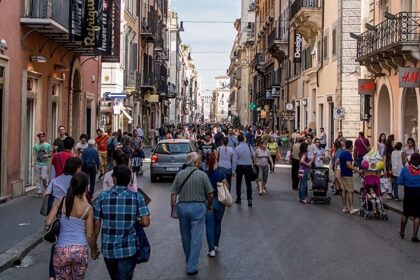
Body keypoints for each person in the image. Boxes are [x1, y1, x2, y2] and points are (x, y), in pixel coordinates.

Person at [94, 165, 150, 279]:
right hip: (128, 250)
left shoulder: (102, 197)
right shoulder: (137, 197)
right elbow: (146, 222)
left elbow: (97, 223)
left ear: (114, 178)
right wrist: (135, 219)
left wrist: (94, 246)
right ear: (129, 179)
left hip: (108, 250)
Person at [45, 173, 99, 280]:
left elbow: (47, 222)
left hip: (61, 250)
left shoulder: (60, 201)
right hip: (80, 250)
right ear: (85, 187)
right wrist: (93, 250)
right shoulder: (88, 208)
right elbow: (90, 235)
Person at [170, 153, 214, 276]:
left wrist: (173, 208)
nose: (200, 162)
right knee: (196, 238)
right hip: (198, 208)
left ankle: (189, 260)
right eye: (199, 161)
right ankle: (191, 266)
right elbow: (210, 194)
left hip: (182, 207)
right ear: (196, 162)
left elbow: (173, 195)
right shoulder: (202, 175)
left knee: (185, 236)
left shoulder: (179, 174)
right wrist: (209, 206)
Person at [44, 156, 83, 280]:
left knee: (57, 247)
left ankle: (52, 276)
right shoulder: (77, 182)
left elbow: (46, 194)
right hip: (74, 217)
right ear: (77, 168)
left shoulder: (55, 180)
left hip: (58, 218)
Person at [205, 152, 228, 258]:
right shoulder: (220, 173)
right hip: (219, 201)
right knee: (218, 224)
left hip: (208, 201)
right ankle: (216, 244)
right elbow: (226, 186)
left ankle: (211, 250)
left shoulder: (204, 173)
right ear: (216, 161)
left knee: (209, 226)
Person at [398, 153, 420, 242]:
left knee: (405, 213)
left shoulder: (405, 169)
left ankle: (402, 232)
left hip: (408, 192)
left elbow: (400, 182)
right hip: (418, 193)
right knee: (417, 215)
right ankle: (414, 236)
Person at [340, 140, 361, 214]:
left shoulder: (342, 153)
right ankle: (351, 208)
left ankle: (345, 207)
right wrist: (357, 170)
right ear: (351, 146)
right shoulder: (348, 154)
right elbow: (348, 165)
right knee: (350, 191)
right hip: (348, 174)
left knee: (344, 191)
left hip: (342, 174)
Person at [233, 134, 255, 206]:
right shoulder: (249, 146)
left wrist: (233, 171)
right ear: (244, 139)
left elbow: (235, 160)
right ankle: (249, 199)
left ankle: (238, 198)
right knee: (248, 183)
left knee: (238, 183)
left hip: (239, 166)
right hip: (248, 166)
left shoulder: (237, 148)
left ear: (238, 140)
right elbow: (253, 154)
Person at [32, 132, 52, 196]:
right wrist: (33, 162)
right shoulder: (35, 146)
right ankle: (39, 191)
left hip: (44, 163)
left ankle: (46, 187)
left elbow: (51, 154)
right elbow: (34, 154)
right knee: (37, 178)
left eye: (42, 136)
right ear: (38, 137)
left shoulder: (48, 145)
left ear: (44, 137)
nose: (41, 137)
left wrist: (46, 156)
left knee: (43, 177)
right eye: (40, 136)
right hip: (37, 163)